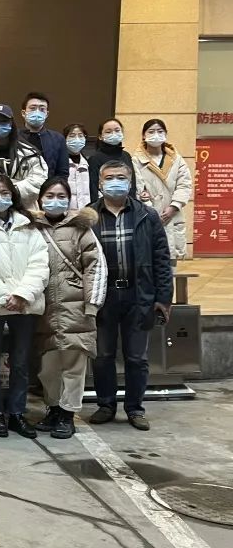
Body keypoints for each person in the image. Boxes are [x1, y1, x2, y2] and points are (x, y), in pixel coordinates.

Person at [88, 160, 173, 431]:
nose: (115, 182)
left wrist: (163, 298)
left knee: (137, 357)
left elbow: (162, 259)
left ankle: (135, 408)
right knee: (103, 355)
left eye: (121, 177)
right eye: (109, 177)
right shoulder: (89, 216)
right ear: (99, 183)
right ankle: (106, 404)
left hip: (138, 296)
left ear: (130, 182)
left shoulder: (147, 216)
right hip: (103, 297)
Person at [0, 175, 49, 439]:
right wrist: (4, 297)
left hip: (25, 304)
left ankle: (16, 413)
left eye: (5, 193)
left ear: (13, 196)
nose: (0, 198)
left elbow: (40, 263)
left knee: (21, 361)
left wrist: (23, 294)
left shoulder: (29, 226)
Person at [32, 178, 107, 440]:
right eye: (50, 195)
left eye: (61, 196)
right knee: (48, 366)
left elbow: (96, 267)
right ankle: (53, 408)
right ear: (40, 199)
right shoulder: (32, 227)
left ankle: (67, 413)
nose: (55, 200)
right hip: (43, 309)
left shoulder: (81, 228)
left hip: (77, 308)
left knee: (74, 366)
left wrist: (92, 304)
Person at [133, 119, 193, 261]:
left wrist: (174, 206)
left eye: (160, 131)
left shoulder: (177, 159)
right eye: (151, 131)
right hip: (148, 214)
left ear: (166, 134)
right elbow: (137, 187)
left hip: (172, 215)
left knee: (171, 262)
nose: (156, 135)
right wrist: (150, 208)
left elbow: (184, 185)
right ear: (143, 135)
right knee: (149, 259)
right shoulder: (136, 160)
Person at [19, 92, 68, 180]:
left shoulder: (57, 139)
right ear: (23, 113)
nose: (37, 112)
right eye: (33, 108)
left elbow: (62, 173)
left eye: (42, 109)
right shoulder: (15, 137)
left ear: (47, 114)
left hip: (49, 186)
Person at [88, 118, 138, 203]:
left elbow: (132, 183)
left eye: (117, 130)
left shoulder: (126, 155)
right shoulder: (95, 158)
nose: (114, 134)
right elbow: (93, 188)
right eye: (108, 132)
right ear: (100, 136)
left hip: (128, 203)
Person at [63, 123, 92, 210]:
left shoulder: (88, 163)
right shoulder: (60, 162)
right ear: (65, 139)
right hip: (66, 211)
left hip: (85, 211)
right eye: (72, 136)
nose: (77, 139)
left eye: (80, 136)